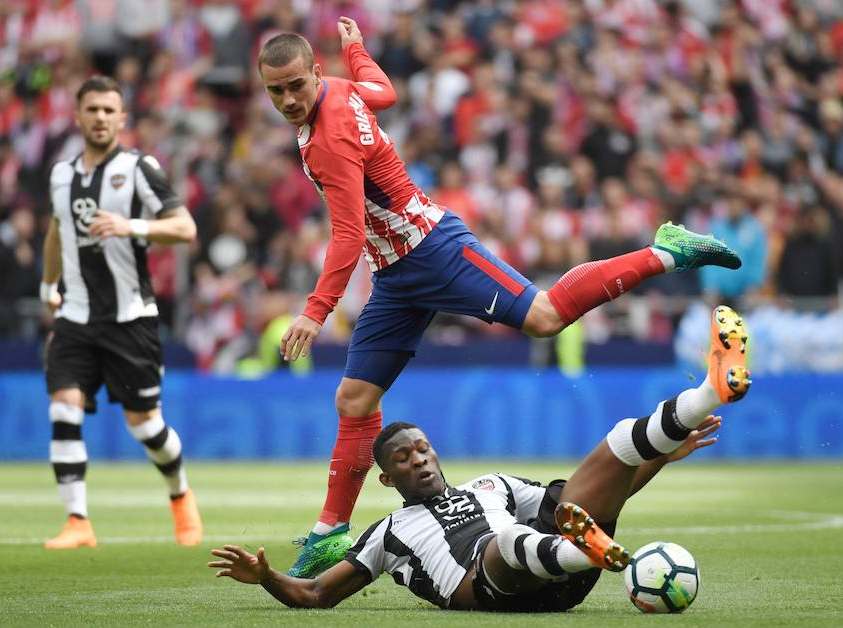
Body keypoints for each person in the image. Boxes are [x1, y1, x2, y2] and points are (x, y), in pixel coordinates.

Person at [257, 17, 743, 578]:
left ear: (315, 74)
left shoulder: (329, 137)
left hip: (434, 249)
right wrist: (358, 51)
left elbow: (344, 232)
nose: (289, 99)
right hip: (394, 274)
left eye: (296, 85)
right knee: (355, 399)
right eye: (277, 91)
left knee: (544, 317)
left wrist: (315, 312)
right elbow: (385, 92)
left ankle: (665, 251)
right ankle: (330, 533)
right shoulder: (340, 89)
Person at [210, 305, 750, 610]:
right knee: (510, 541)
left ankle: (708, 389)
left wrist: (656, 459)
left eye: (422, 448)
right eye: (403, 458)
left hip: (558, 570)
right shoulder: (389, 532)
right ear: (386, 478)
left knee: (614, 447)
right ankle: (586, 552)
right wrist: (268, 577)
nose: (418, 460)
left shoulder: (492, 486)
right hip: (495, 586)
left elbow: (593, 497)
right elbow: (316, 595)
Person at [39, 75, 202, 549]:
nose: (101, 118)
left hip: (130, 318)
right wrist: (50, 284)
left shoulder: (137, 168)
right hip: (74, 315)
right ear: (78, 116)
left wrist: (129, 225)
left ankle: (180, 495)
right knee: (63, 406)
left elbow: (185, 228)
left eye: (110, 110)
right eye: (92, 110)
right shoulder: (60, 175)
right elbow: (55, 230)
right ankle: (78, 522)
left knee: (146, 426)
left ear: (122, 118)